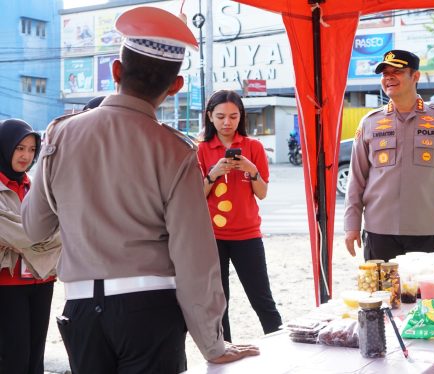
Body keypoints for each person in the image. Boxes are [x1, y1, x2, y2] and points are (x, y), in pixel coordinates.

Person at [21, 7, 258, 373]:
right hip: (150, 312)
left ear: (116, 71)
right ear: (175, 85)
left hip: (81, 310)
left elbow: (35, 228)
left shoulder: (60, 133)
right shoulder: (175, 150)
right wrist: (212, 342)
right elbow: (194, 254)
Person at [344, 49, 434, 261]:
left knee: (420, 293)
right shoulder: (369, 122)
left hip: (424, 231)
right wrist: (351, 225)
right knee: (379, 293)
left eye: (396, 71)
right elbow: (356, 178)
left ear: (415, 76)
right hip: (378, 230)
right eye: (384, 73)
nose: (388, 77)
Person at [197, 90, 282, 342]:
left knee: (262, 298)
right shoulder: (200, 149)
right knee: (219, 301)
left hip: (248, 235)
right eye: (221, 116)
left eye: (233, 116)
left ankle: (280, 348)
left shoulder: (252, 147)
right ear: (210, 117)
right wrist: (213, 173)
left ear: (241, 117)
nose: (227, 122)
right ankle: (224, 351)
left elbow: (262, 193)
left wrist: (251, 169)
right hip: (212, 237)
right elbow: (196, 197)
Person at [0, 119, 61, 374]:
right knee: (13, 359)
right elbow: (20, 235)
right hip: (8, 286)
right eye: (19, 148)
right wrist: (45, 235)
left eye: (32, 149)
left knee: (36, 361)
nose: (26, 155)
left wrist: (36, 236)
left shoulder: (36, 186)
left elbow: (63, 230)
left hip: (43, 279)